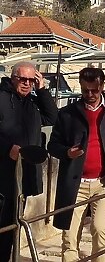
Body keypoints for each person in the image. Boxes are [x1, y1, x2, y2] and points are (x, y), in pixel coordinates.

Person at [48, 67, 105, 262]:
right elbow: (52, 145)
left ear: (102, 87)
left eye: (94, 90)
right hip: (74, 184)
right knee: (70, 237)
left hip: (104, 183)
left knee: (101, 230)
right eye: (85, 90)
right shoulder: (67, 114)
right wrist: (67, 152)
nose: (90, 95)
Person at [0, 62, 57, 261]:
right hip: (2, 176)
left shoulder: (33, 103)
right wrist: (8, 148)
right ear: (12, 78)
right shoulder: (1, 98)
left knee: (12, 227)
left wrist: (42, 90)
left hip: (23, 177)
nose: (26, 84)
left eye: (31, 80)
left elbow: (52, 118)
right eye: (22, 79)